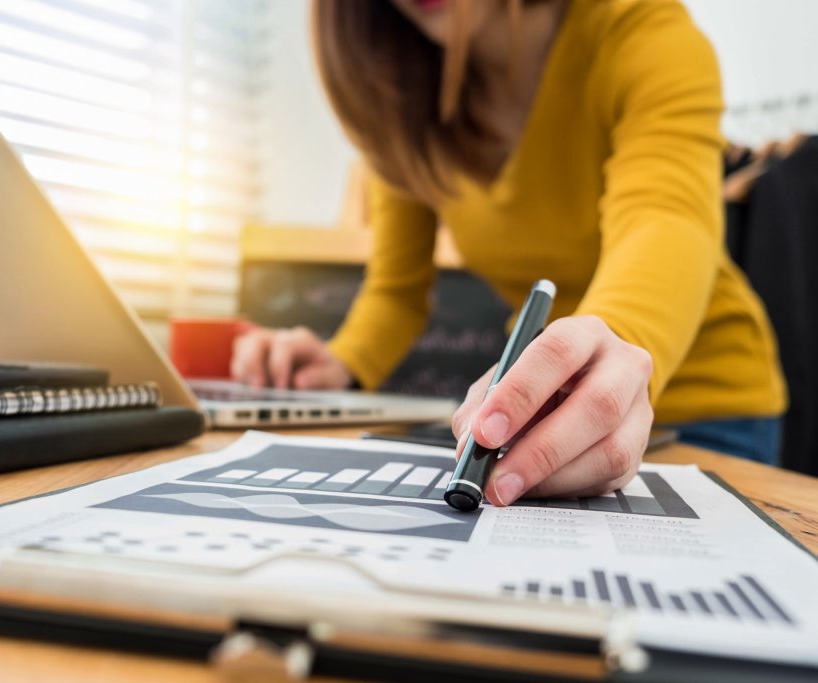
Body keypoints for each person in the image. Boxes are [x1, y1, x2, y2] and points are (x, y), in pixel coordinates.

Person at [231, 0, 787, 505]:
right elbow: (397, 291)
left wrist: (608, 345)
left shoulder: (642, 31)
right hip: (550, 410)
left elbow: (666, 217)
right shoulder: (404, 101)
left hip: (712, 407)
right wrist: (342, 362)